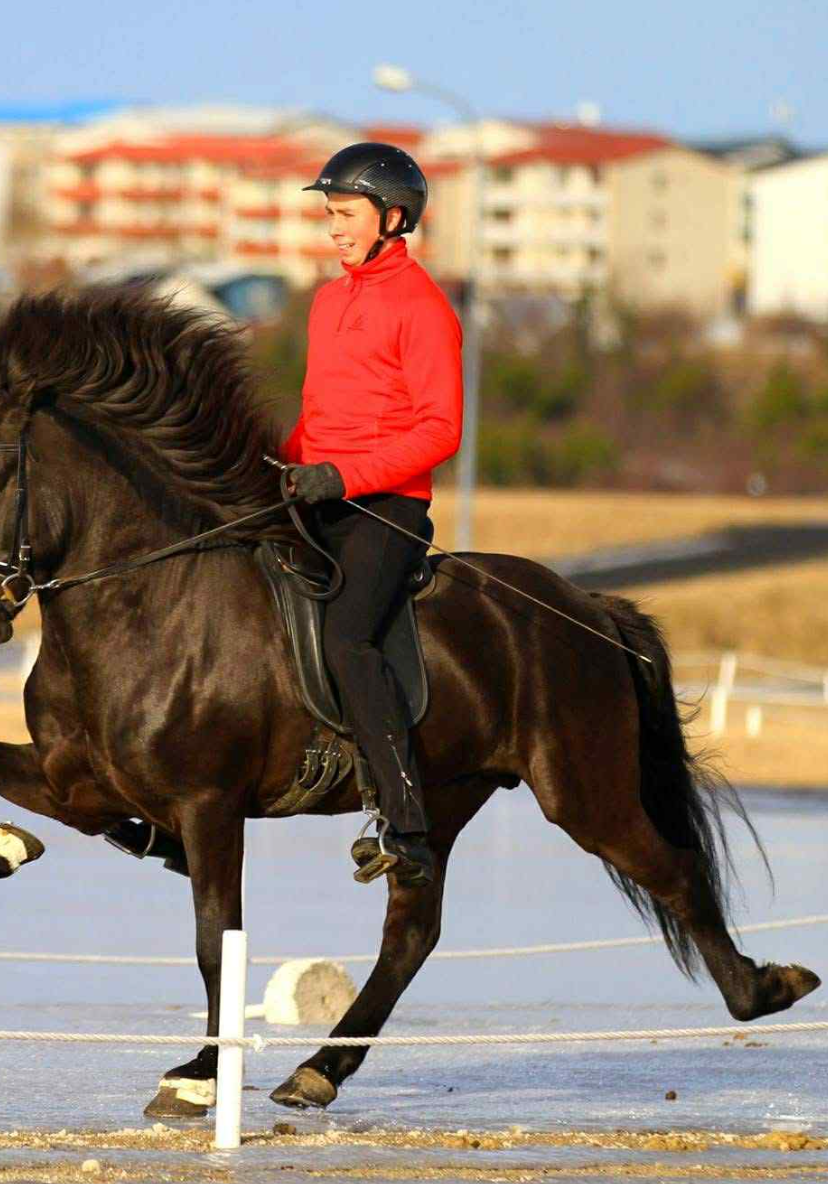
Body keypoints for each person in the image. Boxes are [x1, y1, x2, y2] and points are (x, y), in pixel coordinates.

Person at [280, 142, 463, 887]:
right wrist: (283, 468)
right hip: (320, 491)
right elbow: (317, 416)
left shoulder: (421, 306)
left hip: (385, 510)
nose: (333, 228)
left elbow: (438, 431)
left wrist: (342, 477)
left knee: (349, 638)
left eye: (344, 214)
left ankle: (406, 822)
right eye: (328, 214)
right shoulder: (329, 299)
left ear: (392, 217)